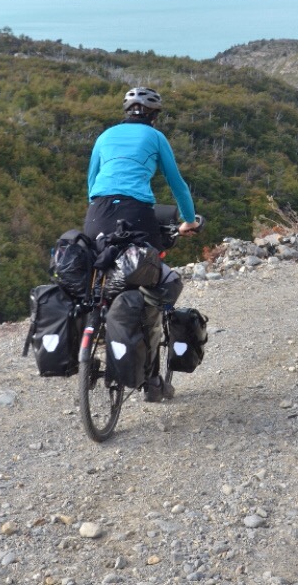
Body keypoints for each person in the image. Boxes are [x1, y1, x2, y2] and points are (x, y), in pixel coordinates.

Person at [85, 86, 200, 402]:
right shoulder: (156, 139)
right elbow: (177, 185)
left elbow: (92, 183)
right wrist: (188, 220)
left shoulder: (104, 136)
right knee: (148, 280)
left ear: (126, 112)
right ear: (154, 116)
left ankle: (99, 324)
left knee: (105, 268)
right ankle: (151, 381)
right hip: (136, 213)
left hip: (97, 214)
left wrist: (101, 212)